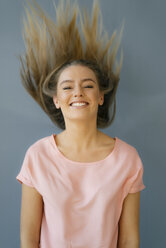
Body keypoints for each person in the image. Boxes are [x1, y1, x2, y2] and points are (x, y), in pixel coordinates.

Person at [16, 0, 146, 247]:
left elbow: (129, 239)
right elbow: (28, 240)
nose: (78, 93)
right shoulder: (37, 156)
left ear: (100, 97)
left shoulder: (128, 159)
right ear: (56, 100)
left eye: (88, 85)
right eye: (67, 87)